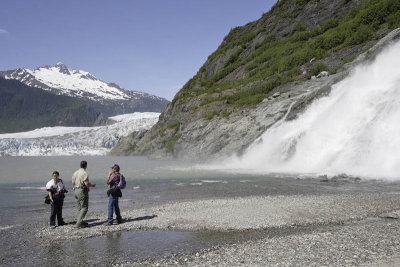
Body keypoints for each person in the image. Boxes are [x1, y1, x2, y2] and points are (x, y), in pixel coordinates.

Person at [72, 160, 96, 228]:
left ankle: (80, 220)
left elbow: (73, 182)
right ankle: (79, 222)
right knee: (84, 207)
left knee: (79, 207)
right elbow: (86, 184)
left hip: (75, 190)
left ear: (80, 165)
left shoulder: (75, 172)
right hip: (82, 190)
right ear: (86, 166)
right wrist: (92, 185)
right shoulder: (84, 173)